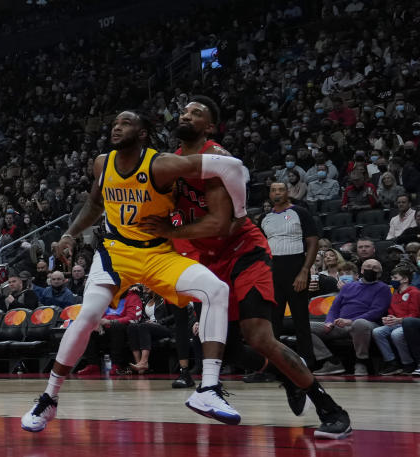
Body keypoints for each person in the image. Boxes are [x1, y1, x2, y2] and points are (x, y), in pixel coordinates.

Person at [21, 110, 250, 433]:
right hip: (116, 252)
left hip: (158, 252)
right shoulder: (102, 163)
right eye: (115, 122)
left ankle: (208, 390)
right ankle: (49, 398)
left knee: (217, 290)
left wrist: (239, 211)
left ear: (143, 133)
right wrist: (70, 233)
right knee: (87, 316)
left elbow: (233, 167)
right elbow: (94, 204)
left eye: (126, 123)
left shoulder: (161, 164)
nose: (117, 127)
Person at [143, 97, 350, 439]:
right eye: (184, 111)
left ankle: (331, 409)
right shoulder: (172, 164)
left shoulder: (217, 159)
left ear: (209, 127)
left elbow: (222, 226)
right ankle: (287, 377)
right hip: (207, 262)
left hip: (243, 253)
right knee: (224, 346)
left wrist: (170, 231)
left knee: (259, 337)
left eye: (197, 113)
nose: (186, 115)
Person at [259, 182, 319, 370]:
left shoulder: (300, 212)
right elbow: (260, 247)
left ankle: (307, 362)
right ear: (269, 194)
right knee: (272, 320)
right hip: (272, 270)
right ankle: (274, 365)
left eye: (281, 189)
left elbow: (313, 242)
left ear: (288, 192)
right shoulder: (264, 218)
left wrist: (304, 271)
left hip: (296, 267)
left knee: (300, 318)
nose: (277, 193)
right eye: (273, 190)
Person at [311, 258, 390, 376]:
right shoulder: (348, 287)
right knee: (304, 327)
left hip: (367, 324)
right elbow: (334, 308)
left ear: (380, 273)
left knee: (360, 323)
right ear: (362, 270)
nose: (370, 269)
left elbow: (376, 312)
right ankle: (330, 361)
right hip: (340, 325)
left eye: (374, 268)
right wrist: (329, 321)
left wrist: (350, 321)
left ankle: (361, 361)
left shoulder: (383, 288)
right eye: (367, 267)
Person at [372, 265, 420, 374]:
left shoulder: (414, 292)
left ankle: (408, 363)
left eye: (395, 278)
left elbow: (415, 314)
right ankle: (392, 362)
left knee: (396, 334)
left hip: (409, 324)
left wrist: (398, 320)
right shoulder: (394, 293)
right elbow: (391, 310)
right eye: (392, 278)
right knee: (377, 332)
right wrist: (388, 318)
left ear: (405, 279)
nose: (392, 280)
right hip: (396, 322)